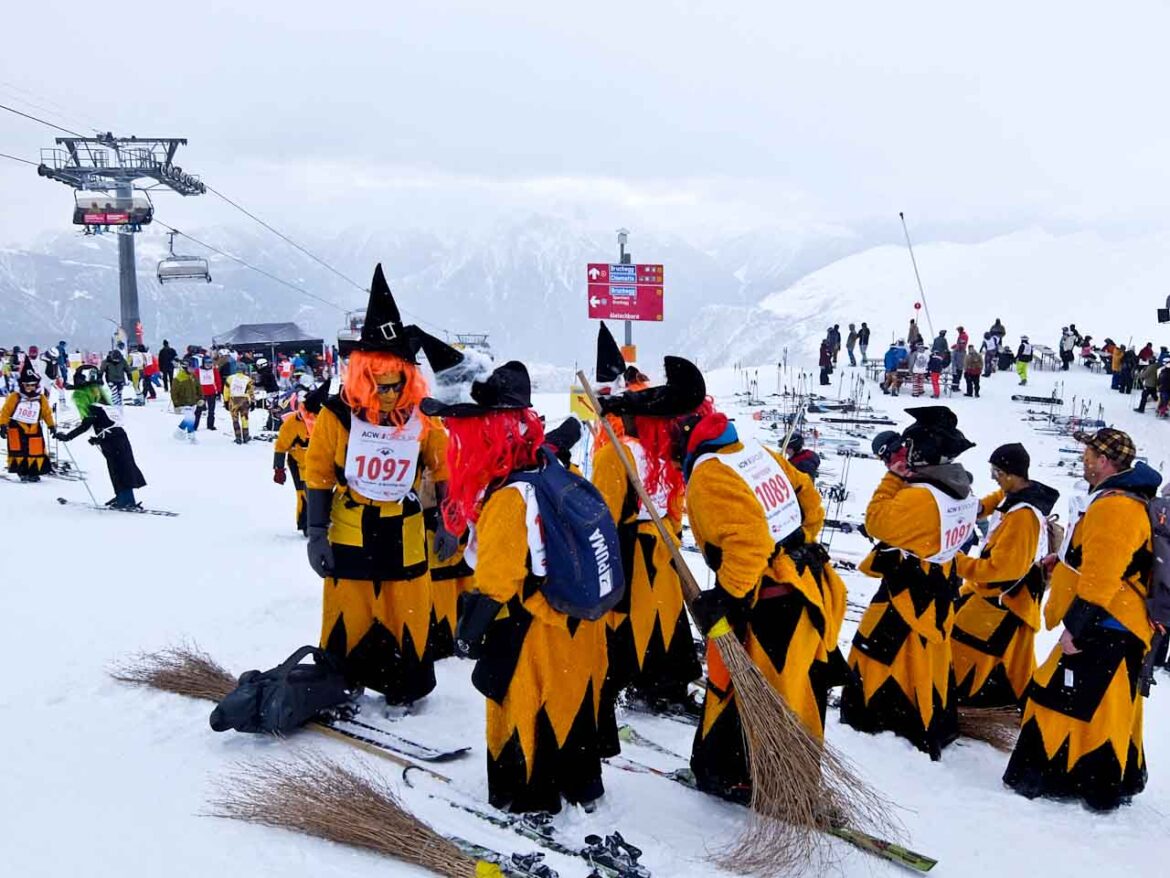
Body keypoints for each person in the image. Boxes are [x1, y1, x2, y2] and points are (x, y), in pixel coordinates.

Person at [422, 360, 608, 814]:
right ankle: (580, 783)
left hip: (531, 628)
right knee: (569, 704)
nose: (452, 439)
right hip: (574, 623)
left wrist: (468, 633)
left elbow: (495, 582)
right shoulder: (549, 470)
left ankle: (529, 795)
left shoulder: (507, 497)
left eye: (459, 430)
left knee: (523, 706)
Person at [303, 264, 463, 706]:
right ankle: (342, 679)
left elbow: (443, 470)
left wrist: (449, 522)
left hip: (403, 526)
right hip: (350, 524)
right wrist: (316, 532)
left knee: (406, 606)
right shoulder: (336, 417)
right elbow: (318, 472)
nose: (390, 394)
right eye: (380, 386)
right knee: (349, 607)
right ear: (362, 378)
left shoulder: (422, 417)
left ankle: (406, 685)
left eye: (396, 385)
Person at [682, 402, 848, 801]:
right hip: (805, 590)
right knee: (797, 691)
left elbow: (750, 542)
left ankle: (749, 778)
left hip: (770, 604)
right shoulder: (756, 454)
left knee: (757, 692)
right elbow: (808, 498)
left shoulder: (710, 474)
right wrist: (796, 546)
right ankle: (788, 774)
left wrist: (728, 594)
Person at [1004, 428, 1160, 811]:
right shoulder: (1121, 500)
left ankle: (1066, 779)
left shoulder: (1115, 506)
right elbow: (1105, 558)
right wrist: (1065, 561)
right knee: (1106, 706)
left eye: (1088, 454)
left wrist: (1076, 628)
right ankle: (1102, 780)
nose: (1083, 460)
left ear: (1104, 461)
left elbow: (1103, 575)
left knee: (1061, 698)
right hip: (1117, 622)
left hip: (1108, 622)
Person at [839, 406, 978, 759]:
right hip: (939, 586)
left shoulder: (921, 496)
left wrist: (892, 479)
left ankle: (880, 717)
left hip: (909, 589)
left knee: (880, 653)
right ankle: (930, 716)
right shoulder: (959, 489)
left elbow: (877, 521)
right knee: (926, 660)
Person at [591, 355, 706, 746]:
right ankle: (659, 682)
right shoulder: (657, 455)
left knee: (634, 624)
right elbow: (673, 506)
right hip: (655, 547)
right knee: (658, 621)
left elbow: (606, 515)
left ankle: (630, 685)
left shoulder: (622, 455)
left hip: (636, 550)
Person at [951, 444, 1059, 707]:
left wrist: (954, 562)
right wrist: (976, 509)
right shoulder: (1017, 495)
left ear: (1012, 474)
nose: (993, 477)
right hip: (1008, 599)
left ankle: (960, 703)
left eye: (997, 472)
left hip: (1003, 600)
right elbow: (998, 497)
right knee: (1014, 665)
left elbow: (1001, 571)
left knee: (965, 649)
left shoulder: (1022, 518)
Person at [57, 365, 146, 509]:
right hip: (118, 436)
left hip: (111, 440)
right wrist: (98, 439)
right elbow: (108, 423)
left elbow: (86, 424)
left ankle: (125, 499)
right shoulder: (102, 401)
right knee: (124, 465)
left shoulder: (90, 404)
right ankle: (123, 495)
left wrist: (67, 437)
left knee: (118, 468)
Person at [275, 379, 329, 535]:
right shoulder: (293, 422)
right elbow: (281, 445)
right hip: (299, 462)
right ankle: (306, 524)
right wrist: (279, 468)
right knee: (304, 493)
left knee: (322, 493)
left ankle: (323, 522)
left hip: (320, 462)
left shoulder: (324, 418)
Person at [0, 358, 56, 482]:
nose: (30, 387)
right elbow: (5, 411)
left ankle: (34, 472)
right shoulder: (15, 397)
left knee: (35, 450)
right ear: (22, 385)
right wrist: (3, 425)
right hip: (17, 426)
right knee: (19, 450)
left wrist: (51, 426)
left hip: (34, 427)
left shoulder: (40, 398)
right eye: (27, 385)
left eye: (32, 385)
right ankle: (22, 472)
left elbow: (46, 413)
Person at [169, 356, 202, 440]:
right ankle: (191, 436)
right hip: (183, 403)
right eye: (191, 368)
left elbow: (199, 388)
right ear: (185, 367)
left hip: (193, 402)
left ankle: (179, 431)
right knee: (190, 418)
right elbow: (173, 393)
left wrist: (201, 398)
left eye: (194, 368)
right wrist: (176, 405)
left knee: (189, 418)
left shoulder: (193, 376)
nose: (193, 370)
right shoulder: (178, 378)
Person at [223, 364, 255, 444]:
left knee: (235, 419)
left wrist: (226, 401)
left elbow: (226, 391)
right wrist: (253, 402)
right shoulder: (248, 379)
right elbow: (251, 392)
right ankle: (246, 436)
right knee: (245, 418)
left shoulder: (230, 378)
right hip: (244, 400)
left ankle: (238, 437)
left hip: (233, 400)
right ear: (244, 370)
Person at [195, 355, 221, 431]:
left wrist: (219, 391)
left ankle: (210, 425)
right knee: (198, 411)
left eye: (210, 363)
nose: (208, 365)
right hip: (201, 394)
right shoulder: (198, 371)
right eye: (207, 363)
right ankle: (195, 425)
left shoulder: (214, 370)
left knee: (211, 411)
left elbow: (218, 381)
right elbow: (195, 382)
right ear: (203, 363)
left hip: (212, 393)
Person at [100, 343, 129, 408]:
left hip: (121, 380)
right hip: (111, 379)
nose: (116, 361)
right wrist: (100, 379)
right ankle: (115, 404)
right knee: (114, 392)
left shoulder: (123, 361)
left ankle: (119, 404)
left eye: (118, 360)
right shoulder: (106, 362)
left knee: (119, 392)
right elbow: (101, 371)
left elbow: (127, 370)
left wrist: (130, 378)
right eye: (115, 360)